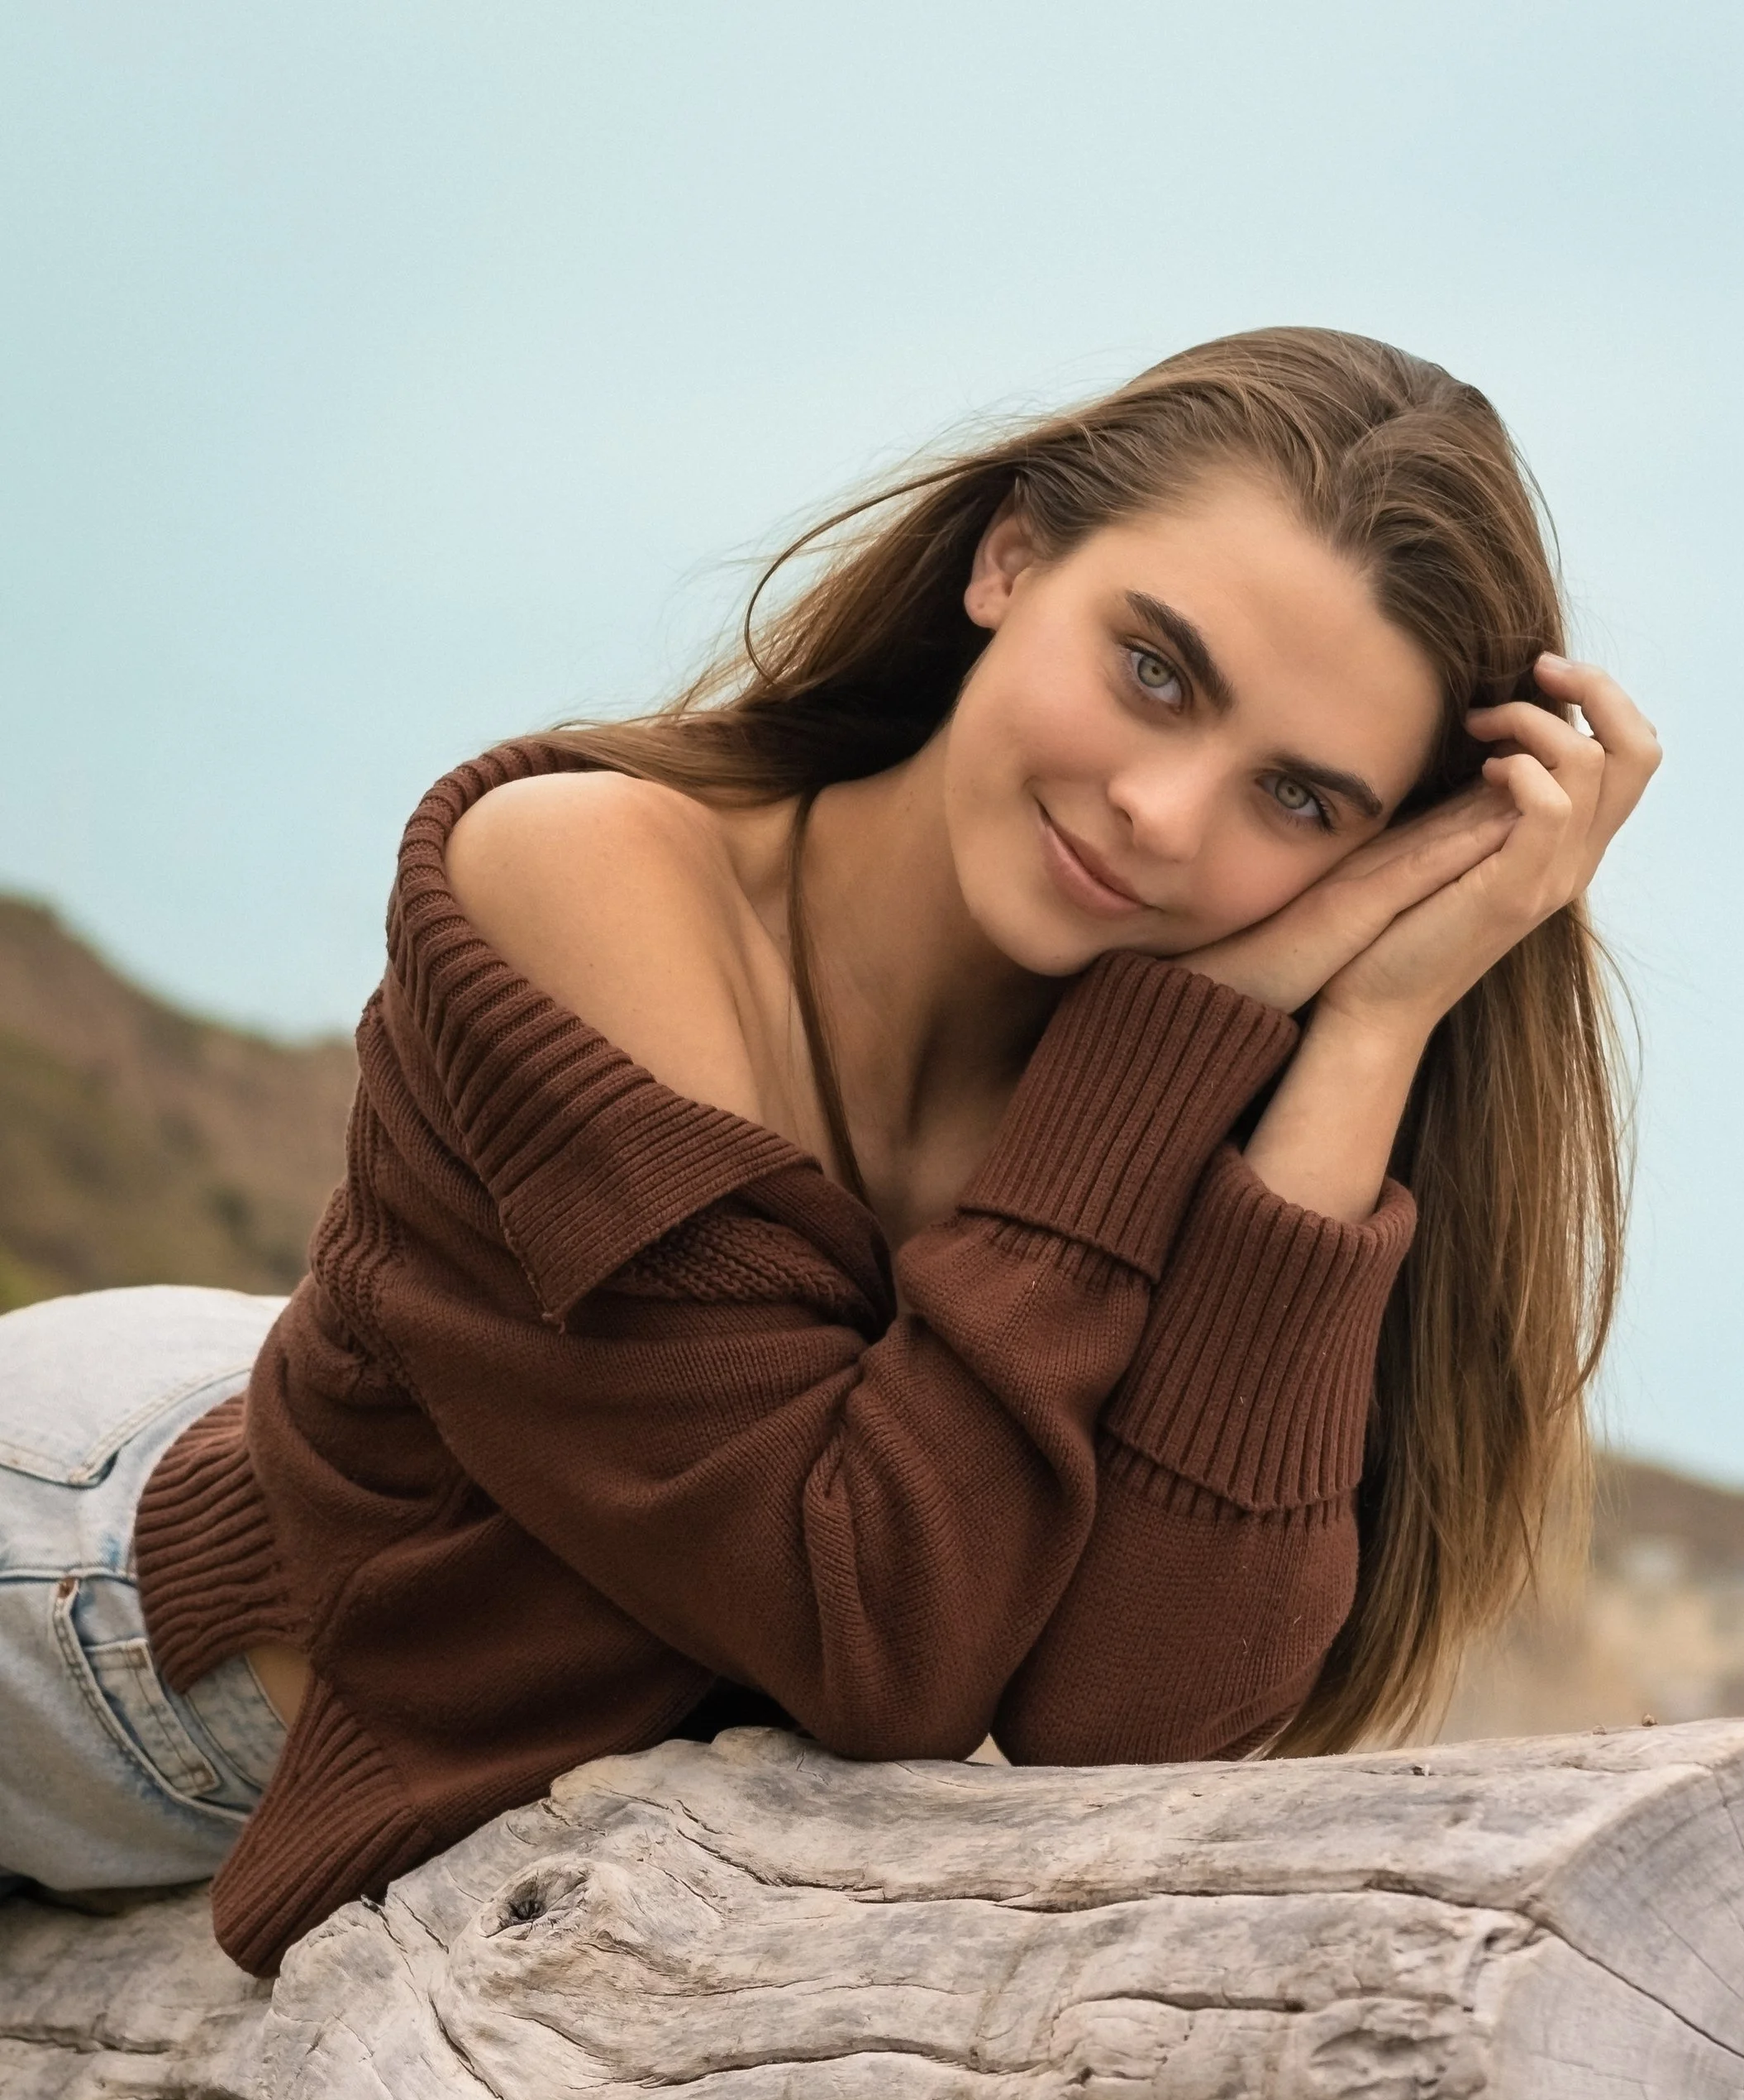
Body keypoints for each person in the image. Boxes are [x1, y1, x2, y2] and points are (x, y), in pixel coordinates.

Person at [0, 328, 1656, 1974]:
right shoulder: (585, 880)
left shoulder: (1198, 1068)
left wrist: (1374, 1025)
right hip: (98, 1607)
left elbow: (1139, 1729)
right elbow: (876, 1635)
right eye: (1154, 671)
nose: (1163, 813)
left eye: (1298, 800)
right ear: (1010, 560)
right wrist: (1169, 1059)